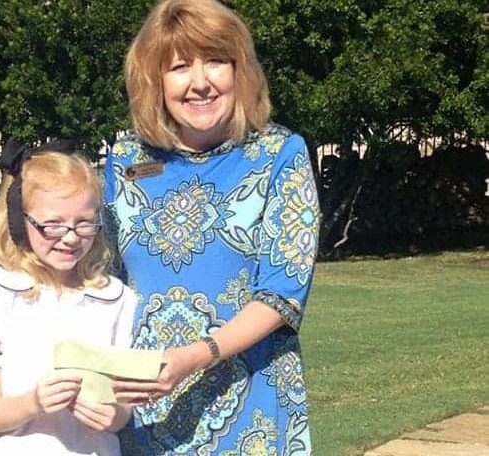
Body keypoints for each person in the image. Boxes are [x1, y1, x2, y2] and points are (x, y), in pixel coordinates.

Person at [103, 0, 321, 454]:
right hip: (145, 404)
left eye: (216, 62)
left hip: (250, 403)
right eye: (179, 67)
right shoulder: (126, 160)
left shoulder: (280, 153)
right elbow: (93, 269)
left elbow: (282, 293)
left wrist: (193, 357)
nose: (199, 83)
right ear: (156, 81)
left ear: (239, 72)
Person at [0, 140, 137, 456]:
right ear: (18, 221)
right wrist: (34, 403)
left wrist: (117, 415)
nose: (70, 237)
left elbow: (125, 398)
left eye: (83, 223)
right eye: (52, 225)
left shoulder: (116, 300)